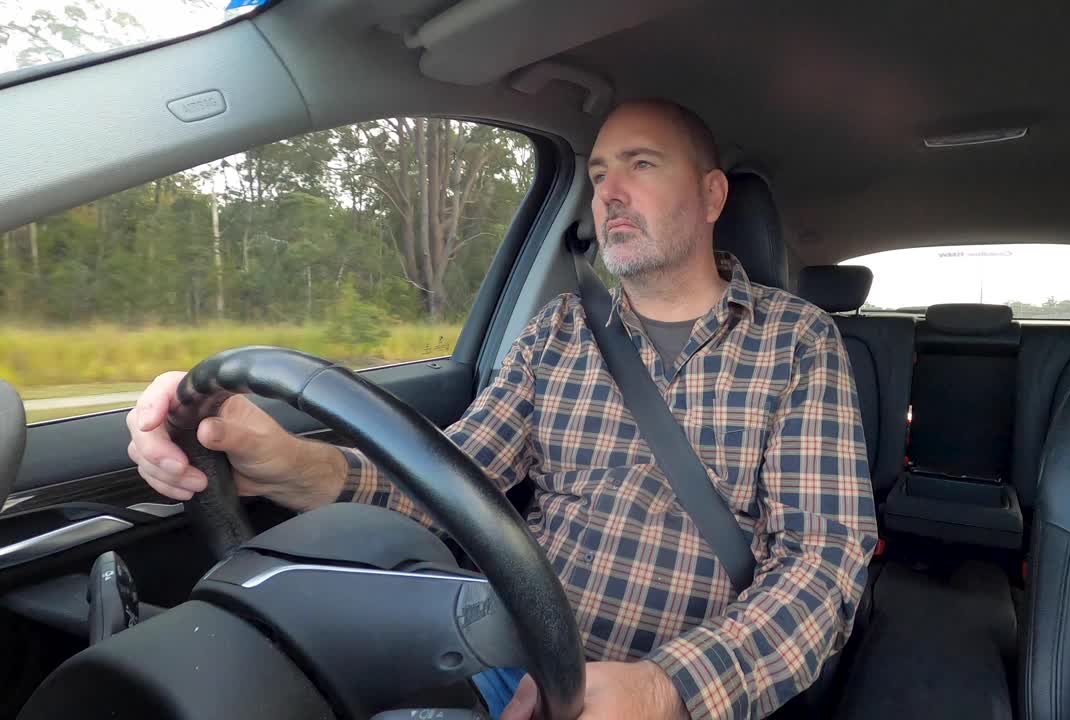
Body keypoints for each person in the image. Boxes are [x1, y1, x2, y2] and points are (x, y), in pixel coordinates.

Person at [125, 99, 877, 720]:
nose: (608, 192)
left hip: (692, 692)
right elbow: (450, 481)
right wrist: (287, 463)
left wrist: (664, 689)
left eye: (641, 166)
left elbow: (824, 561)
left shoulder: (797, 340)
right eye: (599, 173)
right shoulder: (559, 329)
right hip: (509, 665)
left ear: (712, 196)